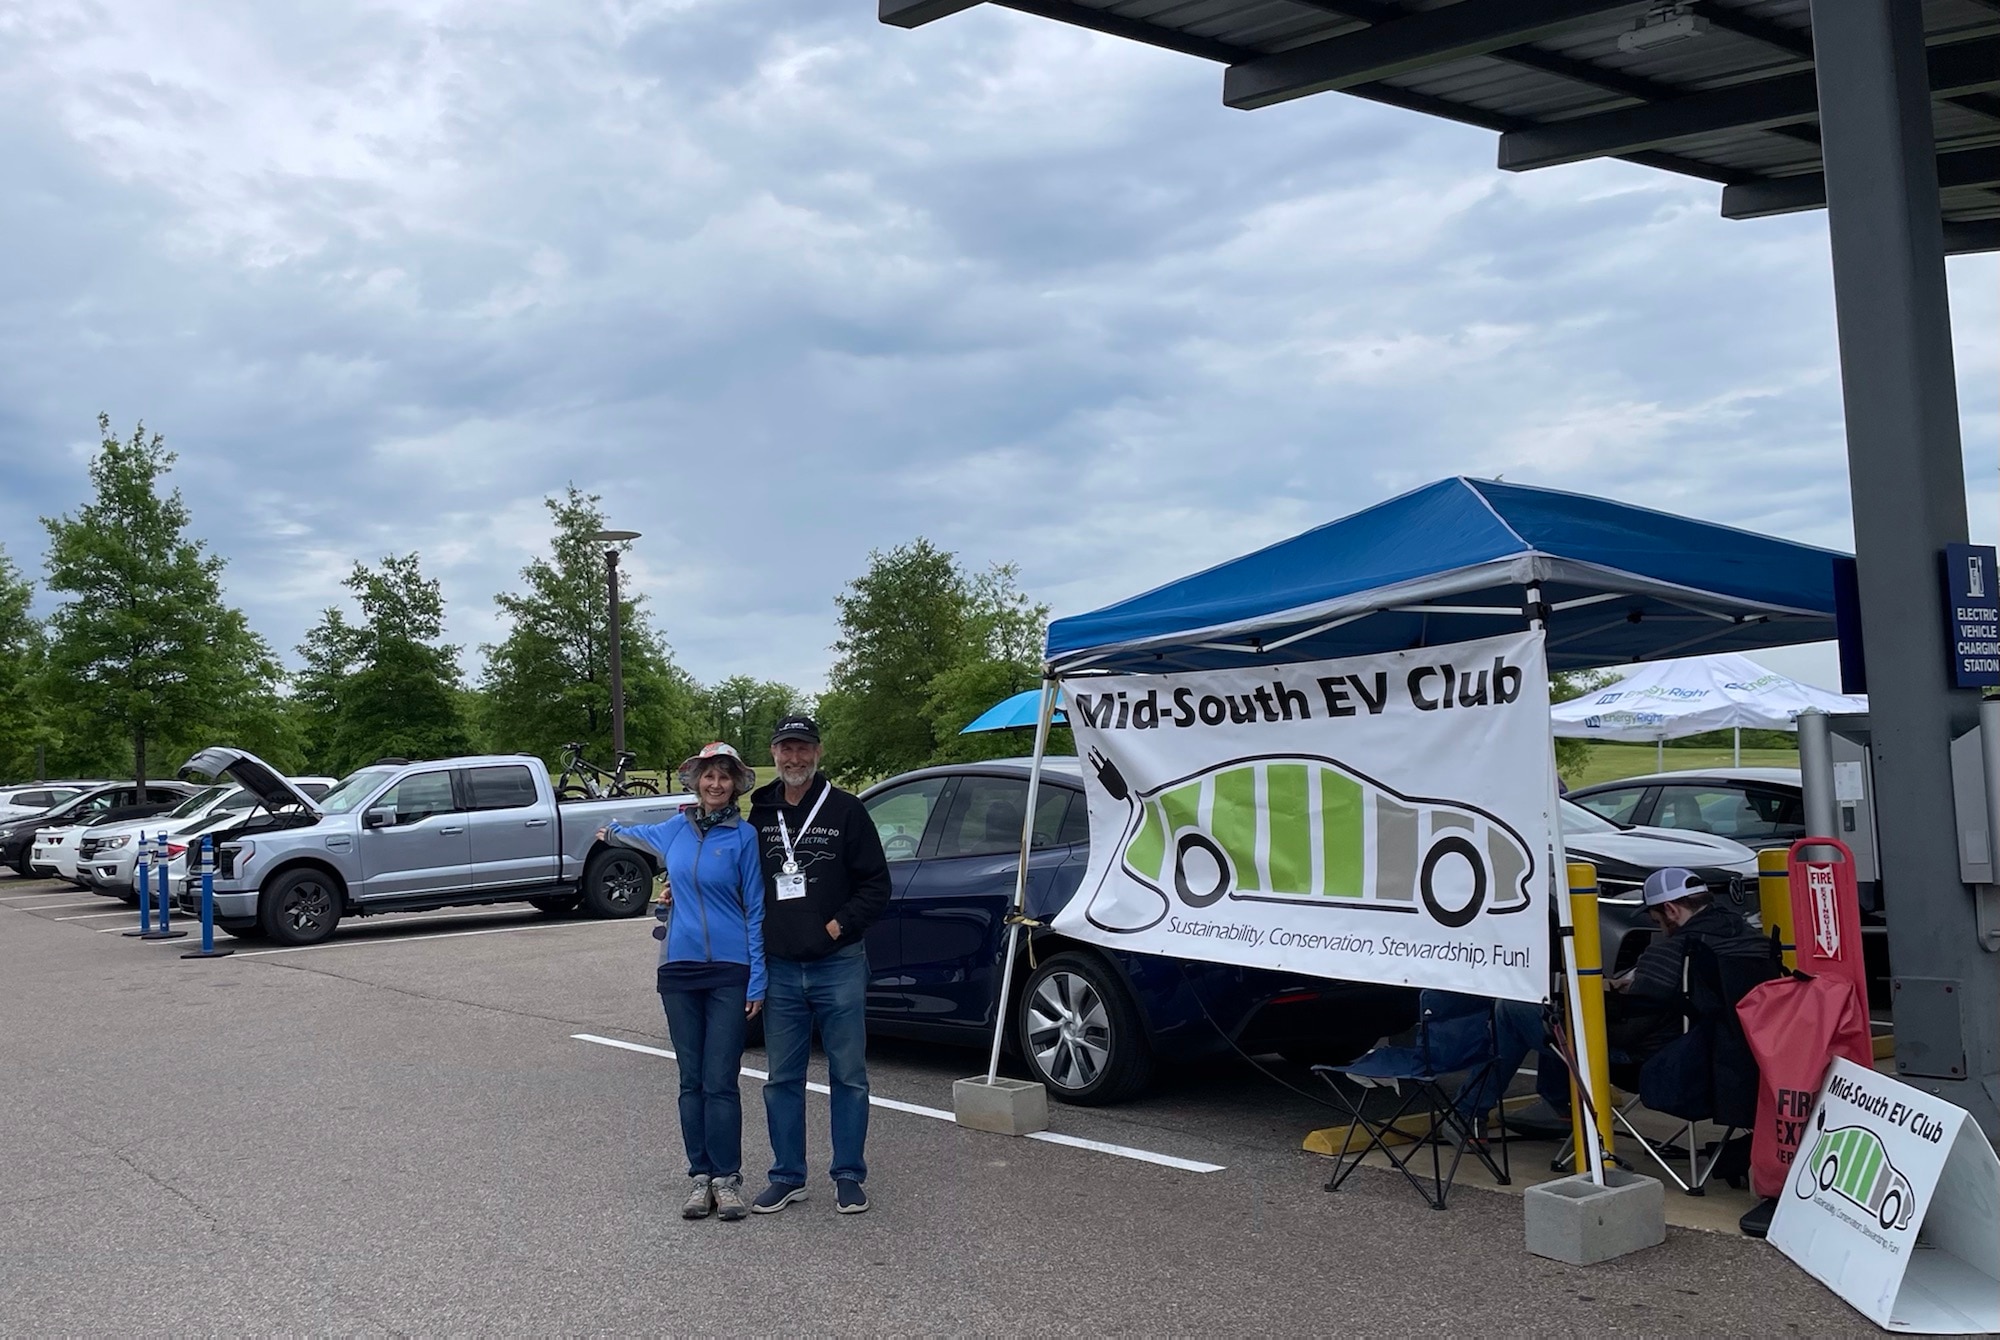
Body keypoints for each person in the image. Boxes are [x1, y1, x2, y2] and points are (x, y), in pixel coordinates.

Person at [598, 742, 766, 1223]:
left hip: (730, 971)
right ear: (695, 781)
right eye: (708, 775)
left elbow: (755, 907)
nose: (716, 784)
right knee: (691, 1080)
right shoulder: (675, 828)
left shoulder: (743, 836)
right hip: (678, 968)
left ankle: (727, 1178)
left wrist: (758, 977)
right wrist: (609, 832)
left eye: (725, 777)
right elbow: (632, 834)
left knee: (721, 1079)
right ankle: (699, 1175)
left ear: (735, 785)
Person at [746, 714, 891, 1216]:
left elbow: (876, 885)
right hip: (780, 968)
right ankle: (788, 1175)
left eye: (803, 748)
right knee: (781, 1080)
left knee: (848, 1075)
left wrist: (837, 927)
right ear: (774, 753)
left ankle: (848, 1174)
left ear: (818, 752)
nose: (795, 758)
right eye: (786, 748)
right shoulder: (759, 814)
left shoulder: (846, 810)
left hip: (838, 964)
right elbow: (736, 877)